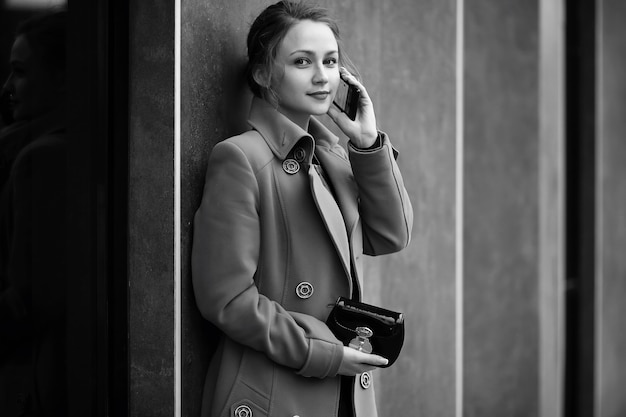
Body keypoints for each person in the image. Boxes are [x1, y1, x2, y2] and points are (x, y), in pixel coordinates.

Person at [191, 2, 413, 417]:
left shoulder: (331, 156)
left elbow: (391, 235)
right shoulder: (241, 158)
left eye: (330, 61)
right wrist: (324, 353)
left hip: (343, 391)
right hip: (273, 390)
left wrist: (367, 145)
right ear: (262, 74)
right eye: (301, 62)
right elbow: (226, 298)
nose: (321, 76)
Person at [0, 10, 68, 417]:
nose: (8, 87)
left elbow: (33, 297)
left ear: (62, 77)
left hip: (35, 379)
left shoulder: (42, 158)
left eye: (21, 72)